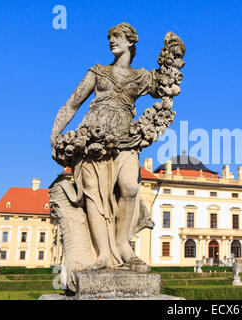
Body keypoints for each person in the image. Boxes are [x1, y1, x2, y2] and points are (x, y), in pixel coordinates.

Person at [50, 23, 162, 269]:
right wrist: (56, 131)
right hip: (93, 141)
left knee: (130, 188)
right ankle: (102, 255)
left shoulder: (141, 77)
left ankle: (122, 244)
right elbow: (72, 103)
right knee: (93, 192)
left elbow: (166, 85)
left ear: (130, 42)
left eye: (117, 37)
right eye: (110, 38)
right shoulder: (98, 72)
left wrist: (172, 54)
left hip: (126, 139)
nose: (112, 42)